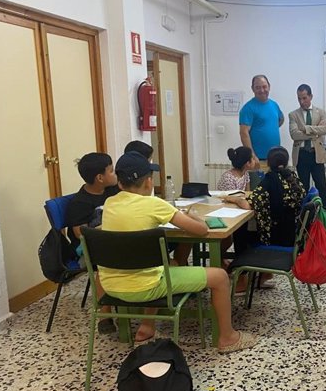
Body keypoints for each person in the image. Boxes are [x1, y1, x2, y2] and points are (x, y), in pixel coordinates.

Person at [100, 151, 258, 352]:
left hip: (111, 285)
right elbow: (201, 231)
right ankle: (227, 337)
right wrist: (195, 218)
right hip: (146, 285)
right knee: (219, 277)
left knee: (171, 265)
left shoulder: (109, 203)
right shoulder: (154, 204)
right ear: (149, 183)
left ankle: (147, 326)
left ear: (120, 184)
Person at [65, 152, 119, 334]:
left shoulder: (113, 190)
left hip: (114, 240)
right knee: (106, 264)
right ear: (100, 178)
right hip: (89, 248)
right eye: (111, 171)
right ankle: (105, 316)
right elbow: (81, 234)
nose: (115, 174)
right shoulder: (80, 202)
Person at [224, 146, 305, 251]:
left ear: (268, 163)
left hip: (274, 236)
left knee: (240, 231)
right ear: (286, 162)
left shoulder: (269, 180)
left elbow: (247, 205)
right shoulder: (294, 178)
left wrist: (234, 199)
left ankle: (239, 262)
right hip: (293, 235)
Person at [288, 84, 326, 212]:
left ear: (311, 96)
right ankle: (303, 216)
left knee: (322, 186)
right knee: (303, 187)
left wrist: (306, 129)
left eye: (304, 98)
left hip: (316, 154)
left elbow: (325, 129)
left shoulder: (320, 112)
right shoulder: (293, 115)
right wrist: (315, 133)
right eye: (299, 98)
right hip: (301, 155)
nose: (302, 101)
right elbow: (294, 134)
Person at [239, 74, 284, 168]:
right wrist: (252, 156)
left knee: (275, 183)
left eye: (264, 87)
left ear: (269, 86)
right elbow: (244, 133)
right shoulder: (248, 108)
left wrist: (269, 129)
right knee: (258, 183)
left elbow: (281, 119)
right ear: (252, 89)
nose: (262, 90)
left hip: (276, 157)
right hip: (258, 160)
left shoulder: (274, 104)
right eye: (258, 87)